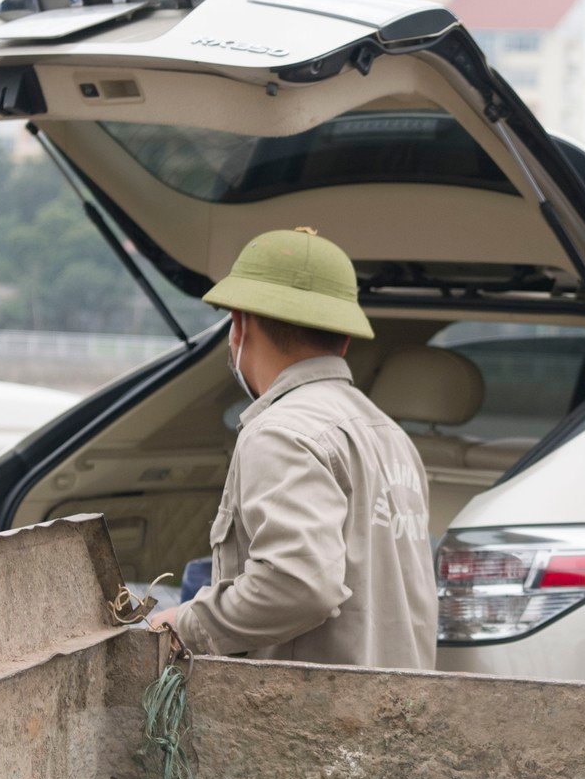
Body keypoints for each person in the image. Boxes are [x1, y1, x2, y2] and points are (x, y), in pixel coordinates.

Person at [149, 227, 437, 668]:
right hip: (392, 715)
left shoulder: (279, 432)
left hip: (311, 724)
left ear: (240, 324)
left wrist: (182, 625)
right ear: (343, 339)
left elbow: (300, 584)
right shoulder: (390, 435)